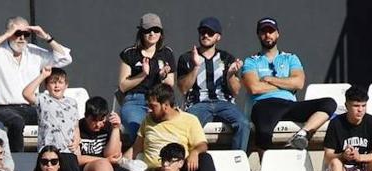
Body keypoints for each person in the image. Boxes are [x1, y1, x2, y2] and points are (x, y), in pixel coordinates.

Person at [240, 17, 337, 150]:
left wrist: (270, 79)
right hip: (265, 104)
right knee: (263, 133)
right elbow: (254, 88)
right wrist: (286, 83)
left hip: (289, 104)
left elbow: (299, 83)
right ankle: (267, 167)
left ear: (277, 34)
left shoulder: (290, 58)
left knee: (329, 103)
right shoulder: (251, 61)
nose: (268, 35)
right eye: (264, 32)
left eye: (271, 31)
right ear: (258, 35)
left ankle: (302, 134)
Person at [0, 17, 72, 151]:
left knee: (53, 114)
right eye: (17, 33)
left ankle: (53, 158)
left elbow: (65, 58)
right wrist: (6, 35)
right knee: (16, 122)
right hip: (4, 108)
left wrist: (46, 36)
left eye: (26, 34)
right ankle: (17, 162)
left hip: (31, 106)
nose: (21, 37)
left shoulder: (34, 52)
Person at [132, 85, 219, 171]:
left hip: (181, 168)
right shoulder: (147, 121)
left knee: (205, 159)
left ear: (166, 106)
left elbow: (202, 144)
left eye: (153, 106)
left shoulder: (189, 120)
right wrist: (121, 160)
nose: (149, 110)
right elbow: (136, 149)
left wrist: (195, 152)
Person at [177, 17, 249, 150]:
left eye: (210, 33)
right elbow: (183, 89)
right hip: (197, 104)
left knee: (244, 123)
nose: (205, 35)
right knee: (187, 128)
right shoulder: (186, 58)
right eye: (203, 32)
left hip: (224, 103)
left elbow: (236, 91)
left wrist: (230, 74)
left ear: (218, 37)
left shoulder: (227, 58)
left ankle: (238, 161)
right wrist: (195, 67)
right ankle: (190, 164)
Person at [116, 13, 176, 140]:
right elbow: (122, 86)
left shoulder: (166, 53)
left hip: (160, 101)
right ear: (141, 33)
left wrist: (162, 75)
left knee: (165, 131)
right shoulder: (130, 53)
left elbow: (170, 84)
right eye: (148, 30)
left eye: (156, 30)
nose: (152, 33)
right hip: (135, 101)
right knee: (138, 130)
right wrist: (143, 74)